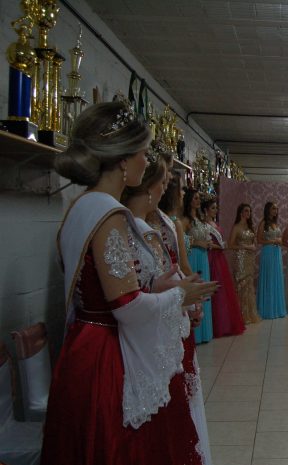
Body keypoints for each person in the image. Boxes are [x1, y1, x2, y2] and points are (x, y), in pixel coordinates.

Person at [41, 101, 217, 465]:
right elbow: (126, 307)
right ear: (123, 159)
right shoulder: (109, 214)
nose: (145, 161)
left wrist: (156, 288)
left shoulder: (81, 206)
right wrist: (179, 295)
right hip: (106, 356)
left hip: (83, 342)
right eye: (143, 152)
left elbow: (100, 291)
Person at [124, 146, 213, 465]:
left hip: (169, 320)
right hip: (148, 331)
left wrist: (189, 296)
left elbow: (173, 267)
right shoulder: (127, 226)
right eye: (162, 182)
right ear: (147, 186)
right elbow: (132, 293)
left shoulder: (162, 223)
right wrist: (178, 295)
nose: (166, 189)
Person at [202, 195, 246, 336]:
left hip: (219, 257)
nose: (215, 210)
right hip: (212, 257)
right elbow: (207, 243)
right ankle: (216, 324)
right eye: (213, 208)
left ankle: (224, 323)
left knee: (223, 288)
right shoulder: (204, 225)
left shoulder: (214, 223)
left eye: (216, 208)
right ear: (206, 210)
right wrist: (219, 246)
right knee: (216, 287)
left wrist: (221, 245)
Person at [183, 189, 215, 343]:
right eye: (195, 198)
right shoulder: (185, 220)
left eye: (198, 198)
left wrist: (207, 243)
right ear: (189, 200)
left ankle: (204, 332)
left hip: (203, 256)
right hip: (193, 256)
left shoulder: (200, 219)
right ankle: (194, 333)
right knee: (196, 292)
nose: (198, 201)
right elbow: (181, 241)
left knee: (204, 293)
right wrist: (197, 243)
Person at [228, 203, 261, 324]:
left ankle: (249, 314)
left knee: (249, 284)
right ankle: (240, 315)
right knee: (241, 284)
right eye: (246, 211)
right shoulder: (236, 227)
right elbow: (230, 245)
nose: (249, 213)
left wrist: (252, 246)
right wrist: (245, 247)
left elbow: (253, 242)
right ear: (241, 212)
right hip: (240, 258)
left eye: (250, 211)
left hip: (249, 258)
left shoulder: (249, 226)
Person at [157, 171, 193, 275]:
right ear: (173, 193)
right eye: (181, 189)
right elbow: (183, 266)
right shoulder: (175, 223)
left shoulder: (160, 218)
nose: (184, 193)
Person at [256, 201, 287, 319]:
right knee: (269, 278)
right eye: (274, 208)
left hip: (277, 253)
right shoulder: (263, 223)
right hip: (268, 252)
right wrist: (272, 241)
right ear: (268, 209)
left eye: (277, 209)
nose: (276, 211)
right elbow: (259, 240)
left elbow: (280, 238)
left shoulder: (275, 223)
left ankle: (277, 308)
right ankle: (268, 309)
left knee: (276, 278)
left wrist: (279, 241)